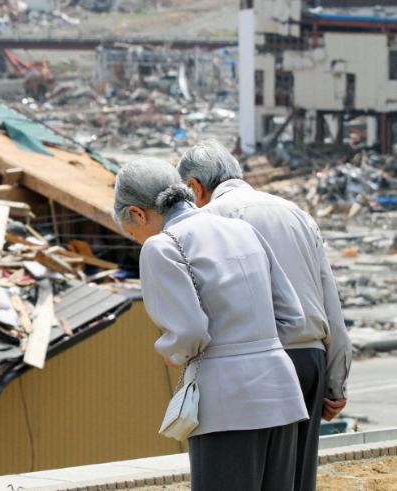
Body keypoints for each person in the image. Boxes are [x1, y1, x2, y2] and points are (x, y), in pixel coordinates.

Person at [113, 158, 309, 491]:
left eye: (133, 233)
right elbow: (293, 317)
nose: (138, 239)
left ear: (137, 213)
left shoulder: (162, 246)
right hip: (282, 392)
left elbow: (188, 333)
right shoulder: (242, 229)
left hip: (225, 401)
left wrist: (173, 353)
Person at [178, 140, 352, 491]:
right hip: (310, 362)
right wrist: (335, 382)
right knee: (295, 481)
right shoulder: (295, 212)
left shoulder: (206, 221)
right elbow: (329, 302)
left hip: (252, 367)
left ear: (195, 186)